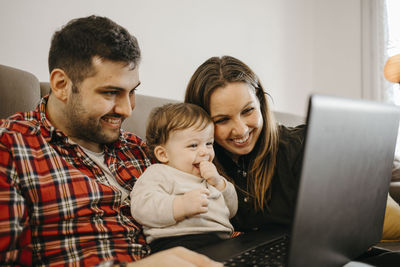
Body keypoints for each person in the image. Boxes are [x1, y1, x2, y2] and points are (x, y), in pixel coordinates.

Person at [0, 15, 222, 267]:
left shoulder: (139, 149)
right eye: (111, 92)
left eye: (132, 91)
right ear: (61, 85)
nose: (128, 110)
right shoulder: (11, 146)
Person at [184, 55, 400, 265]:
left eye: (248, 110)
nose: (240, 130)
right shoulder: (192, 163)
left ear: (260, 103)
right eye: (222, 120)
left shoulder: (301, 145)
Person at [130, 103, 238, 253]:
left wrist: (219, 183)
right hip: (177, 242)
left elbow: (232, 210)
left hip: (221, 240)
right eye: (193, 145)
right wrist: (180, 205)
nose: (204, 152)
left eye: (209, 143)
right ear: (163, 154)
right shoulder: (159, 173)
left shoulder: (210, 177)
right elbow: (141, 208)